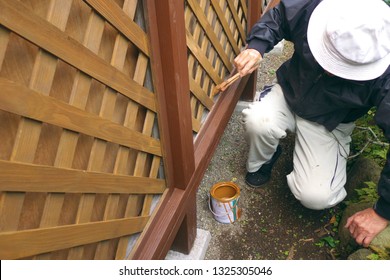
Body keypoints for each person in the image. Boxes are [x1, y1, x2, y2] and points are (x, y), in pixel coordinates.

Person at [234, 0, 390, 248]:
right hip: (290, 92)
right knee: (258, 120)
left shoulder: (386, 73)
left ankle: (325, 163)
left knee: (317, 197)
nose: (330, 70)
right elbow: (279, 17)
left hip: (332, 120)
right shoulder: (321, 8)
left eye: (344, 67)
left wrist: (383, 211)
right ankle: (265, 158)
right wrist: (257, 46)